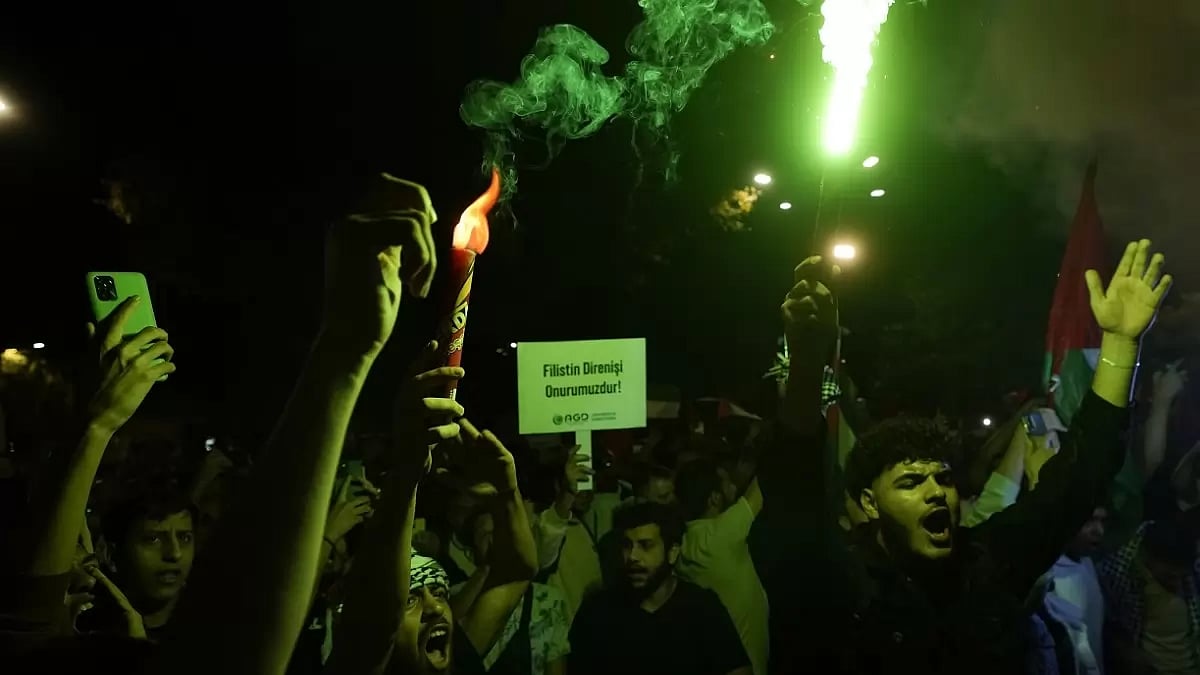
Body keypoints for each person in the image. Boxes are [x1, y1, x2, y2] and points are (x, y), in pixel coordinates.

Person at [760, 240, 1171, 674]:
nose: (935, 492)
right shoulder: (838, 580)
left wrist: (1121, 348)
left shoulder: (987, 563)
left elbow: (1080, 475)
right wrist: (807, 360)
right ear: (867, 503)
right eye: (910, 482)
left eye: (943, 479)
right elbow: (792, 481)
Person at [568, 500, 752, 675]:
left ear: (672, 552)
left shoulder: (702, 609)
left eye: (645, 545)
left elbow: (737, 670)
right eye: (626, 545)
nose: (632, 556)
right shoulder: (597, 611)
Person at [675, 459, 768, 675]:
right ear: (714, 498)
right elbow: (759, 491)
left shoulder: (684, 541)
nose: (734, 487)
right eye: (727, 483)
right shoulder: (721, 534)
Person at [1097, 518, 1200, 674]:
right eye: (1170, 576)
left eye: (1182, 577)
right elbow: (1109, 625)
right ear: (1147, 557)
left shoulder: (1189, 573)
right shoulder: (1119, 576)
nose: (1178, 584)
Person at [96, 488, 196, 639]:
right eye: (153, 539)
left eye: (185, 538)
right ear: (111, 555)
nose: (175, 553)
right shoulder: (88, 633)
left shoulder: (217, 630)